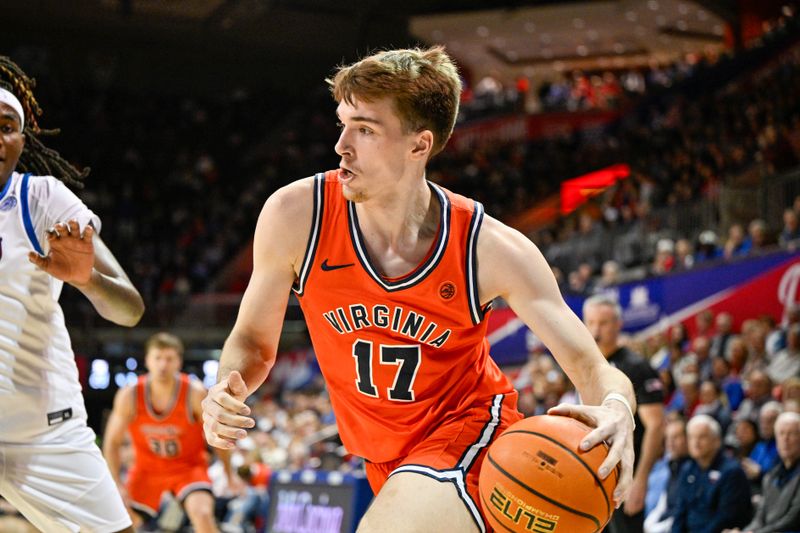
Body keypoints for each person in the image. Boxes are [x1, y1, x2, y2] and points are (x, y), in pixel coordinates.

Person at [201, 46, 637, 532]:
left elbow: (591, 367)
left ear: (419, 145)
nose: (341, 145)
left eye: (365, 129)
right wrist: (226, 386)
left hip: (469, 436)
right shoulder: (295, 215)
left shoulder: (488, 249)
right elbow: (253, 343)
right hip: (382, 459)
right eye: (343, 124)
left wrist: (618, 408)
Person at [0, 56, 144, 532]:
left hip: (41, 428)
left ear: (22, 141)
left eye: (7, 128)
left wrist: (87, 280)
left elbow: (129, 309)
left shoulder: (42, 198)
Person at [103, 333, 238, 532]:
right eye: (157, 358)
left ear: (178, 362)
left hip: (188, 468)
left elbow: (218, 435)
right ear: (147, 360)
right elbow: (112, 442)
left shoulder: (194, 392)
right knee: (120, 522)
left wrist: (229, 474)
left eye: (169, 359)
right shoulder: (130, 394)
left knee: (202, 513)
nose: (163, 365)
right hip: (146, 470)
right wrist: (117, 483)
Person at [583, 295, 665, 533]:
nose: (596, 330)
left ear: (618, 324)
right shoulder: (587, 365)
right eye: (591, 322)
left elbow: (656, 426)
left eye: (603, 323)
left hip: (625, 475)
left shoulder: (636, 366)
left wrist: (641, 480)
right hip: (595, 474)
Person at [671, 415, 752, 533]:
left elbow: (726, 518)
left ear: (717, 441)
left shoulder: (732, 472)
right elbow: (680, 511)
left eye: (702, 437)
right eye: (691, 437)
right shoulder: (687, 469)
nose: (696, 443)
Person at [723, 411, 800, 533]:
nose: (785, 439)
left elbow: (792, 520)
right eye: (781, 433)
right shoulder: (771, 475)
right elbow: (759, 517)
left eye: (792, 434)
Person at [644, 417, 690, 533]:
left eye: (676, 437)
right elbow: (664, 501)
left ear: (687, 439)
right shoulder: (673, 465)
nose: (670, 443)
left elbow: (686, 510)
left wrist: (660, 528)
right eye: (668, 438)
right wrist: (650, 523)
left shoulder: (692, 468)